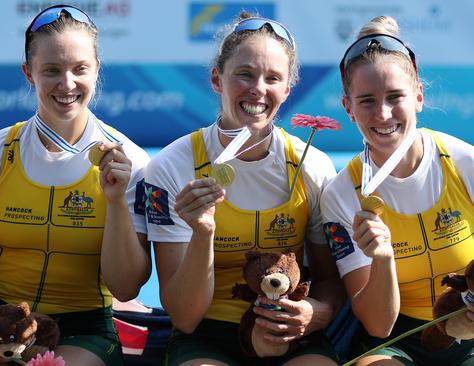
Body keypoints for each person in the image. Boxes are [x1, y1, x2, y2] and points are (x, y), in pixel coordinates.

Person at [0, 5, 151, 366]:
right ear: (28, 73)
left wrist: (114, 201)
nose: (66, 84)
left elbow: (126, 287)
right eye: (51, 70)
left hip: (81, 329)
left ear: (97, 70)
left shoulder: (131, 162)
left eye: (79, 69)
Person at [144, 11, 343, 366]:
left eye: (272, 78)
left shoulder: (312, 166)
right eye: (245, 74)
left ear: (287, 90)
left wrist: (317, 312)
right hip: (207, 335)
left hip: (288, 334)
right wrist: (203, 232)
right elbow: (185, 318)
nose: (258, 89)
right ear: (217, 79)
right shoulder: (172, 167)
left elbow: (329, 281)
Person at [321, 15, 474, 366]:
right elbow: (378, 325)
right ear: (348, 108)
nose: (384, 113)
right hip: (397, 343)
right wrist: (382, 256)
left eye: (395, 97)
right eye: (367, 101)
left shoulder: (464, 163)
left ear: (418, 96)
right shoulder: (342, 194)